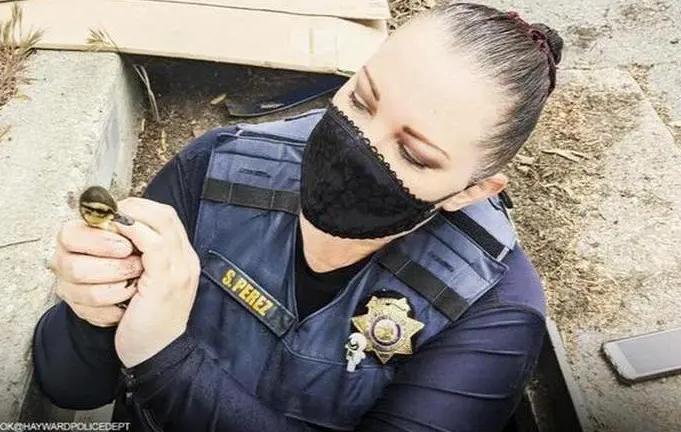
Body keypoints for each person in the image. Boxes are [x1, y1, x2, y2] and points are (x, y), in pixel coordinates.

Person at [32, 3, 563, 431]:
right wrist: (92, 308)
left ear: (471, 190)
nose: (359, 147)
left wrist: (163, 357)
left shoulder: (491, 312)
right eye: (361, 99)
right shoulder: (219, 167)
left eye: (415, 155)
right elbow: (72, 384)